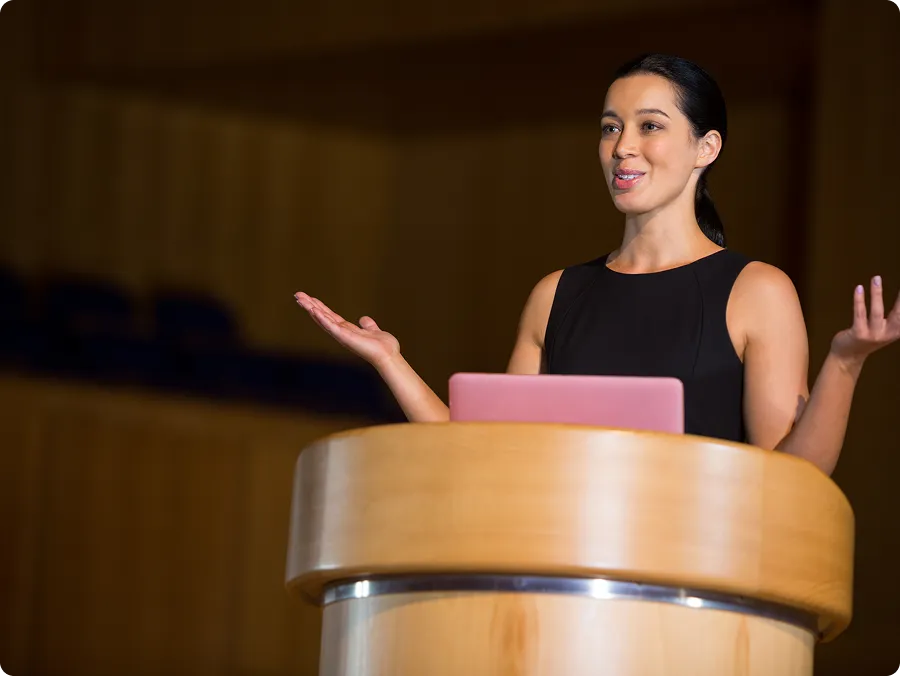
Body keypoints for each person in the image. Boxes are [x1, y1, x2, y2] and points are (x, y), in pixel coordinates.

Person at [294, 53, 899, 476]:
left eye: (650, 127)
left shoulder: (756, 290)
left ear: (705, 149)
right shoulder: (556, 293)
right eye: (611, 127)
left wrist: (844, 364)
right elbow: (485, 452)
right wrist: (391, 362)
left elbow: (788, 476)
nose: (623, 146)